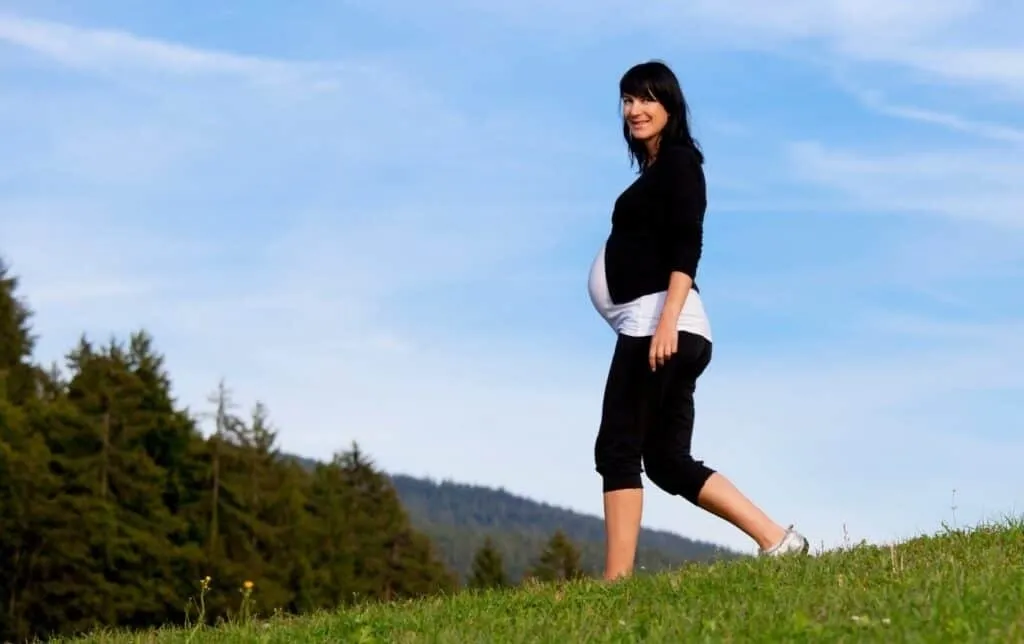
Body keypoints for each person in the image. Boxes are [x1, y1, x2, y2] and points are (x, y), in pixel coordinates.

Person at [587, 60, 809, 580]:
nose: (635, 109)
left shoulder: (681, 163)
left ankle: (615, 584)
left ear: (670, 106)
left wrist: (665, 321)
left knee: (617, 446)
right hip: (668, 325)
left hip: (659, 324)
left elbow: (689, 244)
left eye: (646, 99)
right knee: (665, 460)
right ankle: (779, 541)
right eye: (627, 100)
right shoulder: (660, 170)